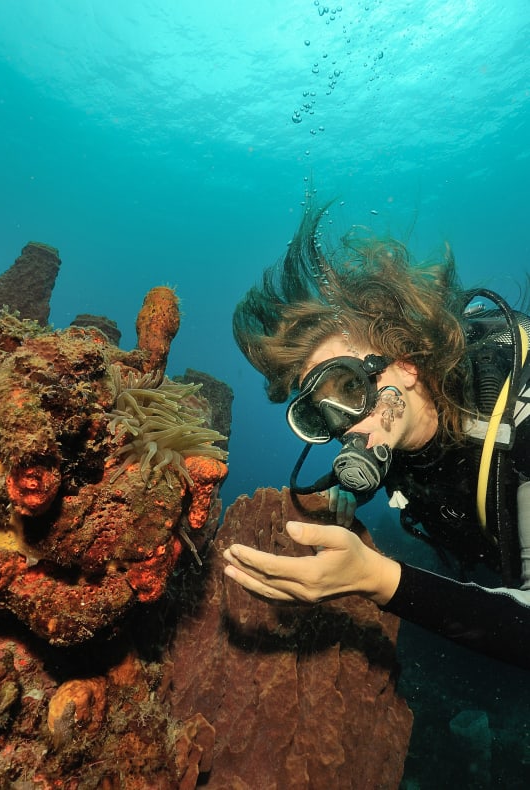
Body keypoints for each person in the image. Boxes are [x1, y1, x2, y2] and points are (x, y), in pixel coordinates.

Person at [223, 198, 530, 669]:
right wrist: (353, 495)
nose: (346, 426)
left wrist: (378, 579)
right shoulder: (398, 439)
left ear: (405, 362)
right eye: (322, 417)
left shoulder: (520, 426)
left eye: (349, 387)